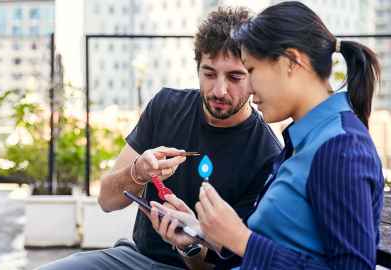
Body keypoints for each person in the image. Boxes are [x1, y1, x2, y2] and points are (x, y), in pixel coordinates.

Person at [38, 7, 281, 270]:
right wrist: (137, 173)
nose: (219, 90)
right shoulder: (167, 106)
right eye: (209, 74)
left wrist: (189, 243)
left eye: (235, 77)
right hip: (136, 259)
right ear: (197, 67)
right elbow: (106, 201)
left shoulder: (266, 154)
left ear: (254, 75)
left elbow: (226, 263)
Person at [151, 1, 385, 269]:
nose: (248, 88)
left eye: (250, 71)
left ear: (290, 62)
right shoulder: (304, 142)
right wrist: (203, 233)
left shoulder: (341, 148)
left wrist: (242, 240)